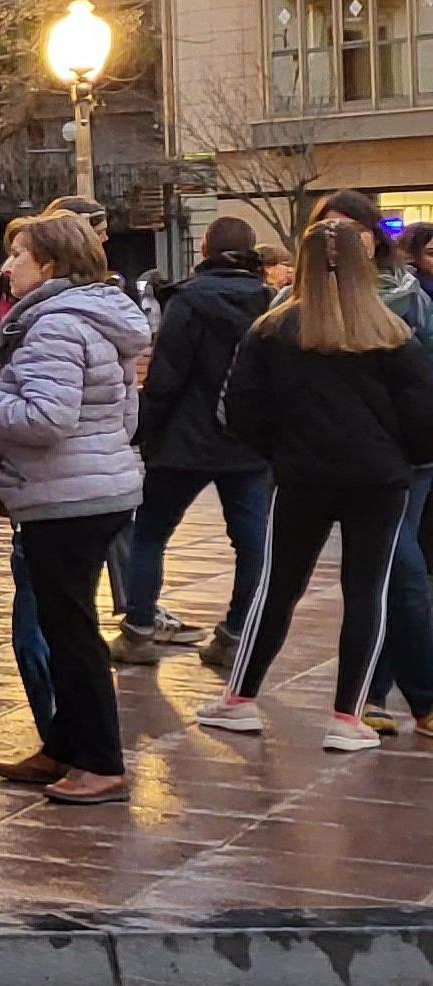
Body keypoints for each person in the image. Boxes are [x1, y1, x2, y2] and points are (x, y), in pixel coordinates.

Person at [193, 215, 433, 749]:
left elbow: (238, 412)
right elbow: (424, 424)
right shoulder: (395, 336)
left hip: (301, 476)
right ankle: (348, 718)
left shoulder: (273, 331)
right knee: (367, 592)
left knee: (277, 587)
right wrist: (400, 458)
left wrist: (279, 453)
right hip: (379, 479)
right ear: (363, 263)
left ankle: (240, 700)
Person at [0, 210, 150, 805]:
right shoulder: (92, 318)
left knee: (72, 633)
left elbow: (46, 420)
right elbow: (126, 415)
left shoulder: (56, 327)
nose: (6, 266)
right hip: (94, 488)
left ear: (52, 266)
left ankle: (99, 761)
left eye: (18, 256)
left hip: (69, 498)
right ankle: (64, 745)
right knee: (66, 627)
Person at [124, 217, 275, 669]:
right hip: (247, 443)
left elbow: (167, 379)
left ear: (205, 247)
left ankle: (138, 630)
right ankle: (236, 633)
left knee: (149, 532)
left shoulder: (187, 301)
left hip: (183, 441)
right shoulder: (271, 302)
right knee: (252, 542)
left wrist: (144, 432)